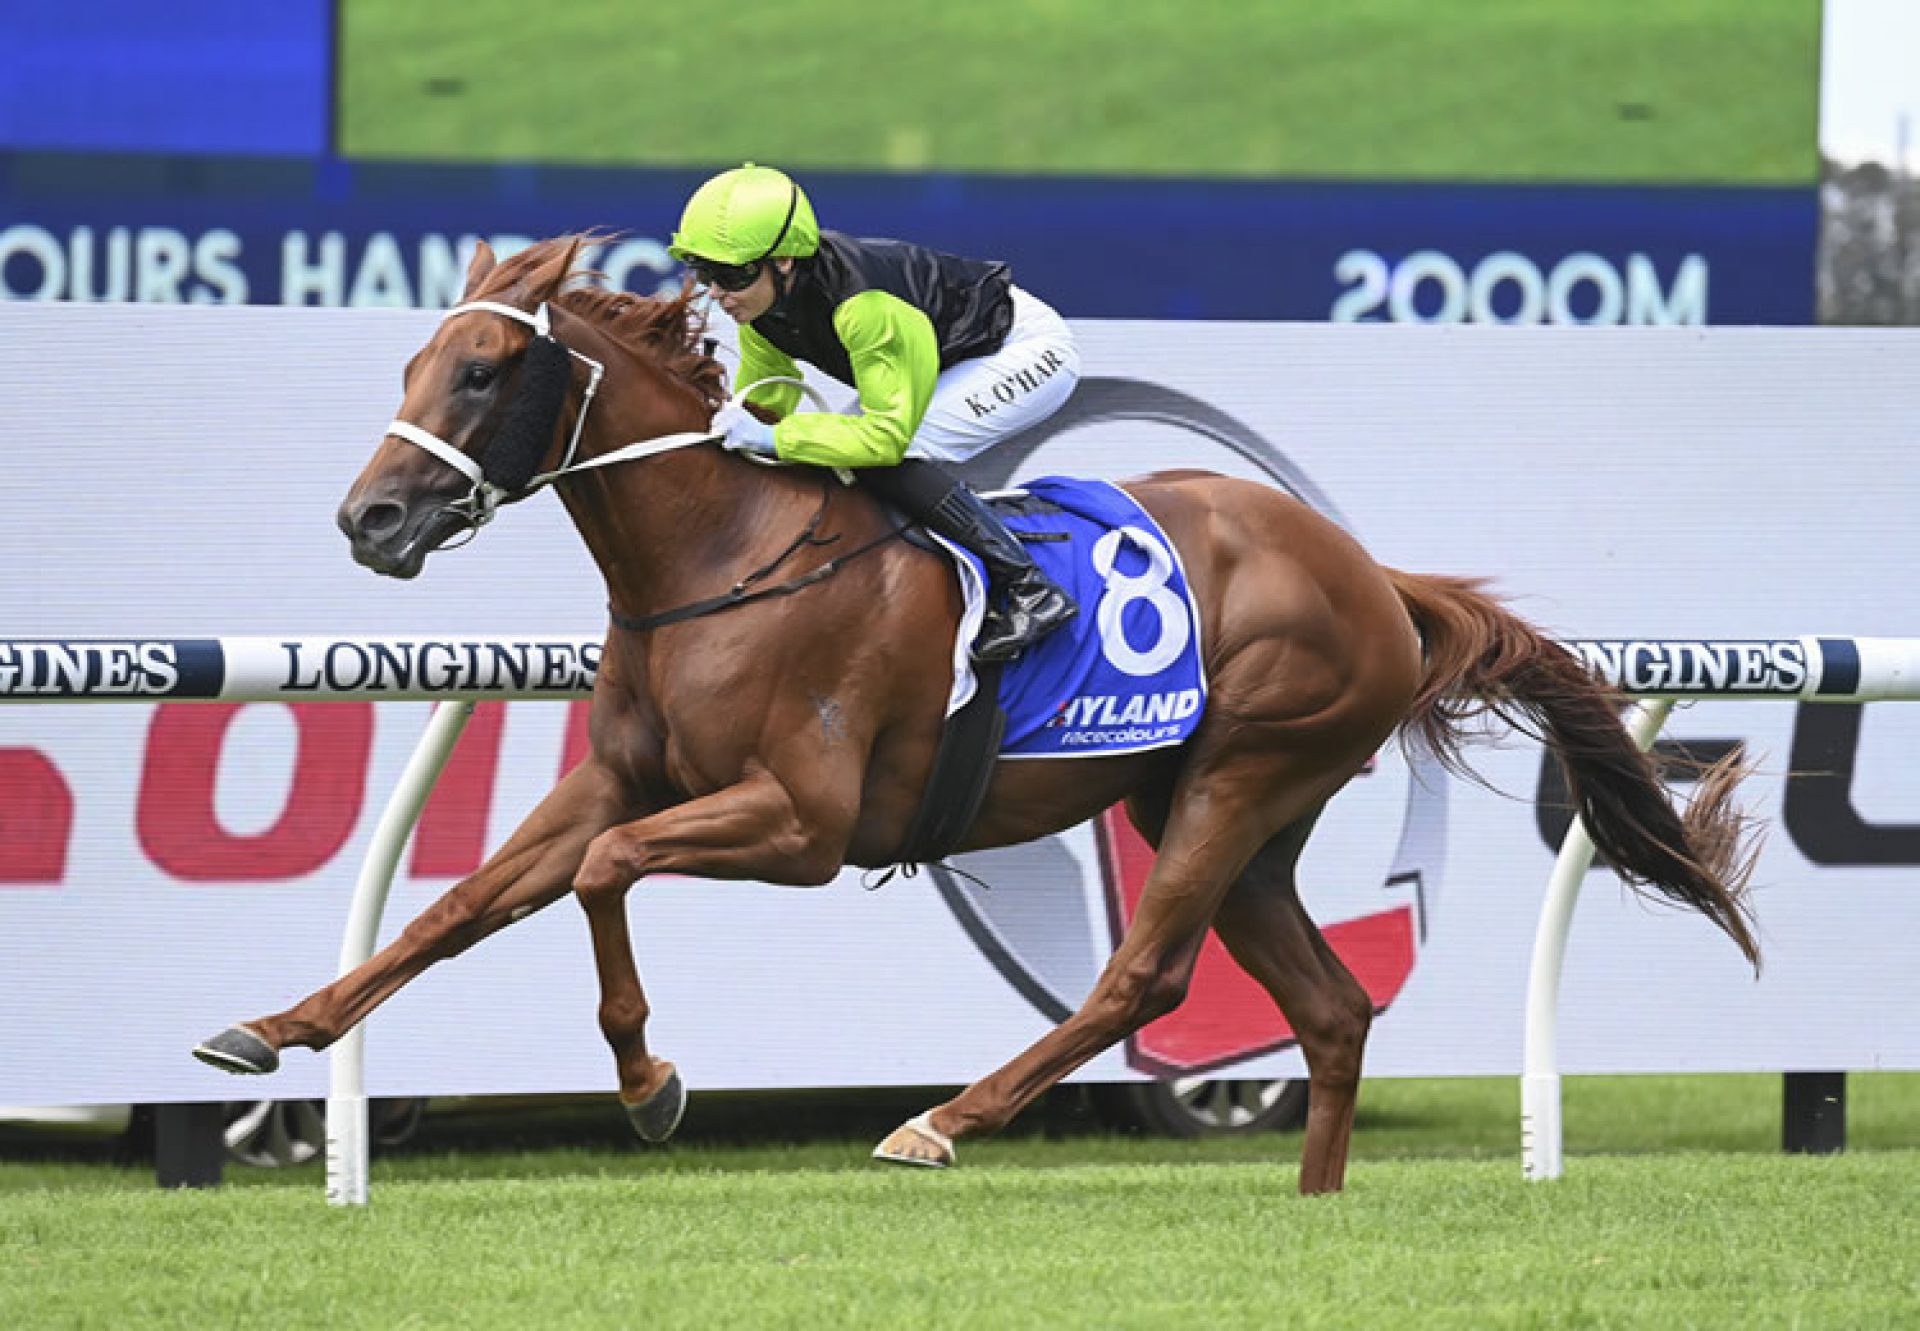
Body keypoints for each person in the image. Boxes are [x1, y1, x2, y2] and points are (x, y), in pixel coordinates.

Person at [667, 163, 1079, 664]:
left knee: (884, 452)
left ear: (786, 262)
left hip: (1021, 350)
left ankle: (1029, 586)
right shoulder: (761, 312)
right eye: (704, 273)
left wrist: (775, 439)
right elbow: (766, 406)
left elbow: (884, 439)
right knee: (831, 449)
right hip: (943, 358)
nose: (716, 292)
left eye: (732, 274)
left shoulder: (864, 306)